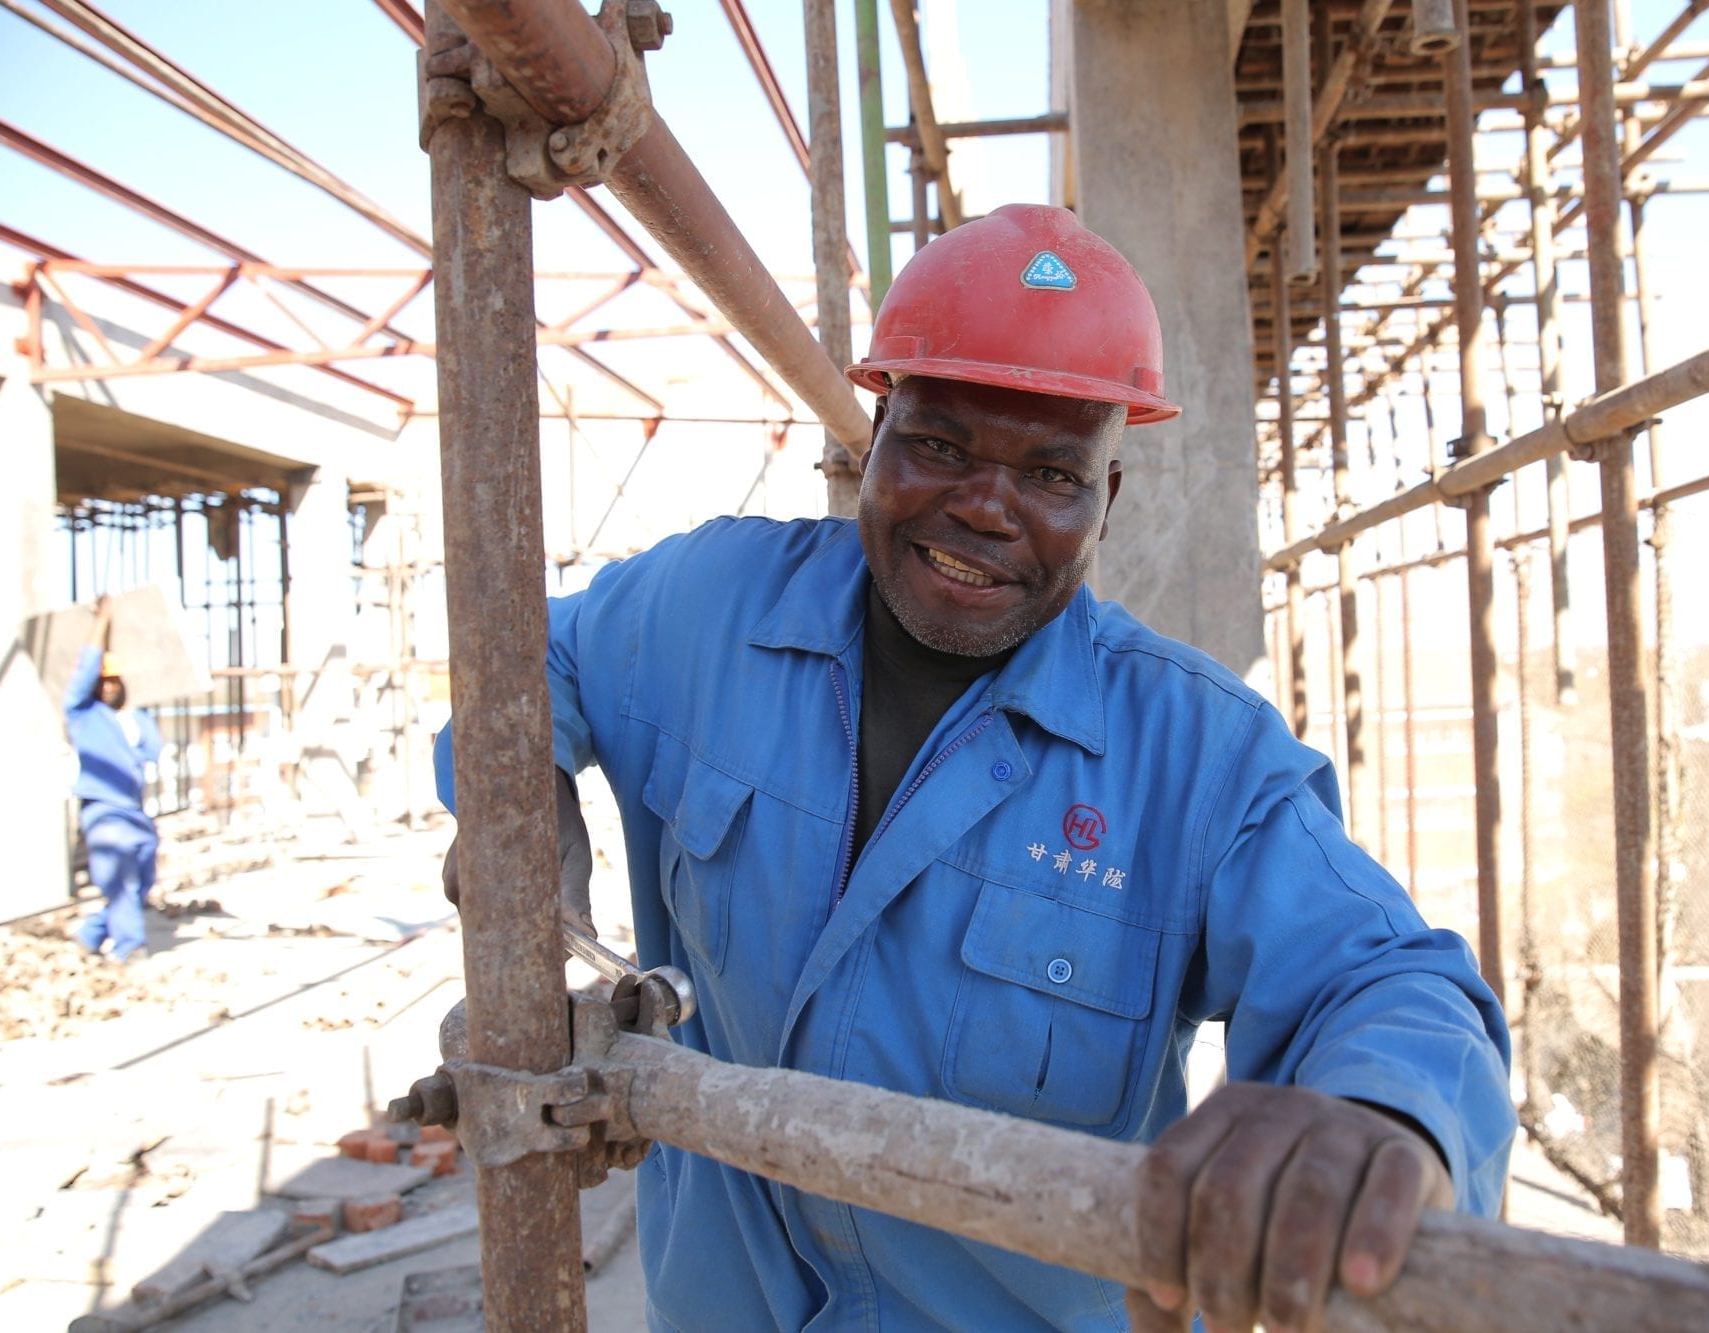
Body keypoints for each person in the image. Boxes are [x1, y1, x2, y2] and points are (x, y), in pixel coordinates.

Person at [436, 204, 1515, 1332]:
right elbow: (533, 649)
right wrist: (521, 802)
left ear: (1104, 502)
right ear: (876, 432)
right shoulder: (710, 608)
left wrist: (1374, 1118)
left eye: (1049, 473)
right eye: (940, 445)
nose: (985, 507)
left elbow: (1388, 979)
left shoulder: (1194, 756)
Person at [65, 600, 164, 963]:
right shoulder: (82, 713)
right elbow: (86, 667)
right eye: (102, 681)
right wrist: (103, 621)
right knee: (121, 879)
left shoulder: (134, 719)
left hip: (134, 812)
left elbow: (152, 750)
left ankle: (91, 933)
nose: (108, 687)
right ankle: (129, 948)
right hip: (103, 809)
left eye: (113, 681)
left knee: (140, 883)